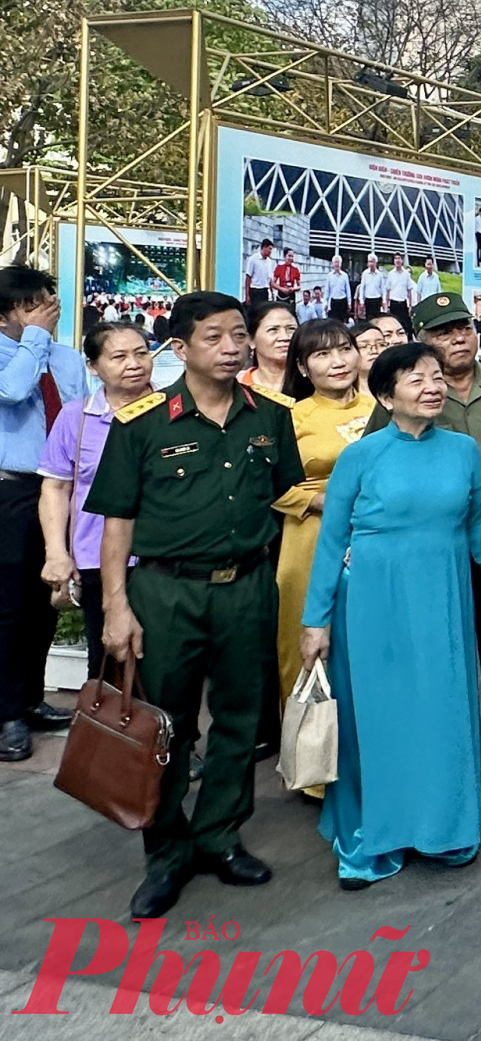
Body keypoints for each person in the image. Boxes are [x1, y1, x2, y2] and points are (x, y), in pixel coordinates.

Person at [88, 291, 307, 918]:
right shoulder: (144, 423)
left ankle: (219, 835)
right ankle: (166, 853)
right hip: (166, 591)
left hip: (245, 587)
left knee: (240, 719)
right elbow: (117, 523)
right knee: (166, 724)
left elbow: (286, 497)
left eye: (239, 334)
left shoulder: (269, 415)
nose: (233, 346)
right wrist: (116, 608)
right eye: (214, 337)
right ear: (180, 349)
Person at [299, 341, 481, 889]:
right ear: (386, 394)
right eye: (415, 379)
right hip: (372, 601)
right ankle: (370, 842)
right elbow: (331, 542)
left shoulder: (464, 450)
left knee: (441, 711)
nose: (432, 387)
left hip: (442, 598)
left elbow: (474, 528)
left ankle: (444, 829)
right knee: (376, 719)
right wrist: (315, 621)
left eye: (436, 377)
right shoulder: (361, 456)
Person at [368, 291, 481, 805]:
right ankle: (445, 771)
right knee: (440, 661)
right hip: (435, 549)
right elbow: (378, 465)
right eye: (442, 331)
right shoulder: (407, 397)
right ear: (423, 340)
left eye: (462, 326)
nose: (457, 337)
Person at [271, 320, 374, 777]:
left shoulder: (383, 407)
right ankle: (313, 766)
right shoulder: (288, 416)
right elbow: (267, 483)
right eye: (322, 354)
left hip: (374, 539)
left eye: (345, 350)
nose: (338, 361)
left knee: (368, 648)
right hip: (310, 538)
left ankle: (368, 760)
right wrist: (320, 499)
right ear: (302, 366)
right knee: (308, 648)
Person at [0, 267, 87, 762]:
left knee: (46, 603)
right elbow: (11, 392)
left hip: (60, 488)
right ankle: (6, 711)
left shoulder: (67, 359)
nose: (46, 311)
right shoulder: (15, 355)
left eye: (48, 301)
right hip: (10, 491)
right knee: (9, 606)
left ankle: (31, 698)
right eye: (31, 303)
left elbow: (77, 417)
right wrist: (33, 339)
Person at [39, 322, 154, 683]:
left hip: (164, 559)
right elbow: (56, 489)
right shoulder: (77, 417)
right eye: (119, 356)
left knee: (164, 667)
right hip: (97, 561)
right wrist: (57, 552)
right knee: (109, 663)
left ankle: (168, 740)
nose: (134, 363)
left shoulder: (173, 412)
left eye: (141, 353)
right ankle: (111, 739)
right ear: (93, 366)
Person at [240, 301, 298, 403]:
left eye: (291, 329)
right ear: (251, 340)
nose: (284, 337)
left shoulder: (314, 384)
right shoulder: (237, 384)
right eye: (273, 330)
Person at [384, 254, 416, 333]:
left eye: (399, 258)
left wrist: (410, 305)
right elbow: (387, 290)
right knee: (394, 323)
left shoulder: (406, 274)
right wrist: (386, 305)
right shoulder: (390, 274)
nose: (397, 260)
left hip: (403, 303)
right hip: (393, 303)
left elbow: (409, 291)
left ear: (402, 261)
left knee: (406, 324)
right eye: (395, 259)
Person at [243, 241, 277, 307]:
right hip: (255, 291)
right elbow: (248, 277)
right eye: (269, 249)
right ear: (264, 247)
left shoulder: (269, 261)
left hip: (264, 291)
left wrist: (272, 292)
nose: (270, 251)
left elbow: (269, 279)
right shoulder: (253, 259)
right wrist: (247, 295)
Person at [358, 253, 386, 322]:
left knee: (377, 319)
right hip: (368, 300)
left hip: (377, 300)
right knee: (369, 319)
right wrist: (361, 301)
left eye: (372, 261)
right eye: (369, 261)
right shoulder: (365, 274)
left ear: (376, 263)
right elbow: (362, 288)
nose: (371, 263)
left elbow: (383, 288)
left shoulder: (380, 275)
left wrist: (384, 300)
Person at [325, 258, 352, 324]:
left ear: (341, 264)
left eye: (338, 262)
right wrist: (325, 303)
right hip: (333, 301)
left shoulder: (345, 275)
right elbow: (327, 290)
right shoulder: (329, 275)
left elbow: (347, 290)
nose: (337, 264)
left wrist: (349, 302)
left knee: (342, 322)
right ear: (333, 264)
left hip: (342, 301)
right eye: (335, 262)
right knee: (332, 321)